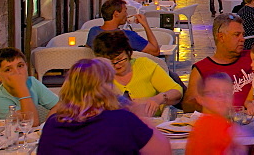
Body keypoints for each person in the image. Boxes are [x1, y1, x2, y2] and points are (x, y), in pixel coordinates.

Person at [37, 58, 171, 155]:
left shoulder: (53, 124)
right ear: (106, 87)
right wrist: (138, 115)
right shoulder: (121, 120)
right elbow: (163, 151)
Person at [92, 31, 181, 116]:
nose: (116, 65)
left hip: (150, 123)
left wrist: (159, 98)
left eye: (120, 59)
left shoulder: (145, 65)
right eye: (110, 62)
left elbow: (176, 91)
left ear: (128, 53)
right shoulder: (98, 74)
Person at [184, 14, 254, 112]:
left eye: (243, 34)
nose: (242, 39)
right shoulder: (202, 68)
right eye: (237, 34)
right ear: (221, 37)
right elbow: (189, 105)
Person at [0, 47, 58, 123]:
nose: (17, 72)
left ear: (26, 66)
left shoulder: (32, 82)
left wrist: (48, 125)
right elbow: (30, 124)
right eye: (8, 69)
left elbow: (59, 106)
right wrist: (22, 88)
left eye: (20, 66)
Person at [185, 73, 240, 155]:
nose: (222, 97)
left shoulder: (201, 122)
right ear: (201, 99)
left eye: (227, 92)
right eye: (214, 92)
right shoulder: (214, 124)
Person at [87, 0, 161, 56]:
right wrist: (145, 25)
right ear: (116, 14)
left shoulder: (93, 32)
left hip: (101, 72)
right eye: (125, 11)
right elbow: (155, 51)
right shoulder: (127, 36)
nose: (127, 14)